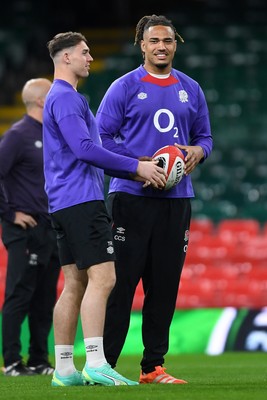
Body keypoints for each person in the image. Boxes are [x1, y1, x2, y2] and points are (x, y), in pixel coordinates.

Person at [42, 31, 166, 387]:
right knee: (105, 277)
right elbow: (83, 149)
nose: (90, 57)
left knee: (75, 283)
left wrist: (136, 162)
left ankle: (64, 368)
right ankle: (96, 362)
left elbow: (94, 151)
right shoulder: (66, 99)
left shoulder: (67, 98)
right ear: (66, 58)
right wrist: (135, 168)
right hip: (81, 200)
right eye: (84, 52)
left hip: (63, 202)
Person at [96, 14, 213, 384]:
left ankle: (152, 367)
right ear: (142, 45)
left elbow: (205, 138)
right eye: (154, 41)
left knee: (164, 286)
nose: (161, 46)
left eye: (167, 41)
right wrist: (136, 167)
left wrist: (197, 152)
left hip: (176, 200)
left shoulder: (191, 88)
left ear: (175, 44)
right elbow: (101, 140)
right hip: (130, 197)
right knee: (121, 285)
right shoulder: (123, 86)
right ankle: (106, 366)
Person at [0, 78, 61, 376]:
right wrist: (9, 214)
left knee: (45, 296)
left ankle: (39, 360)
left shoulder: (52, 134)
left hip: (50, 227)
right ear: (40, 101)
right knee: (20, 294)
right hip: (25, 229)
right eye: (52, 94)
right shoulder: (17, 135)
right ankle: (12, 361)